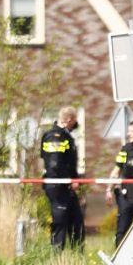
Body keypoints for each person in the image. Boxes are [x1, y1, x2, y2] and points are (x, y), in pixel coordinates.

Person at [39, 107, 84, 251]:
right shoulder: (55, 136)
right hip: (58, 185)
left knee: (77, 222)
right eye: (75, 120)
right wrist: (68, 180)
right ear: (69, 119)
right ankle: (57, 258)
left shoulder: (65, 136)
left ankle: (77, 257)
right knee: (60, 223)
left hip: (66, 186)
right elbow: (54, 164)